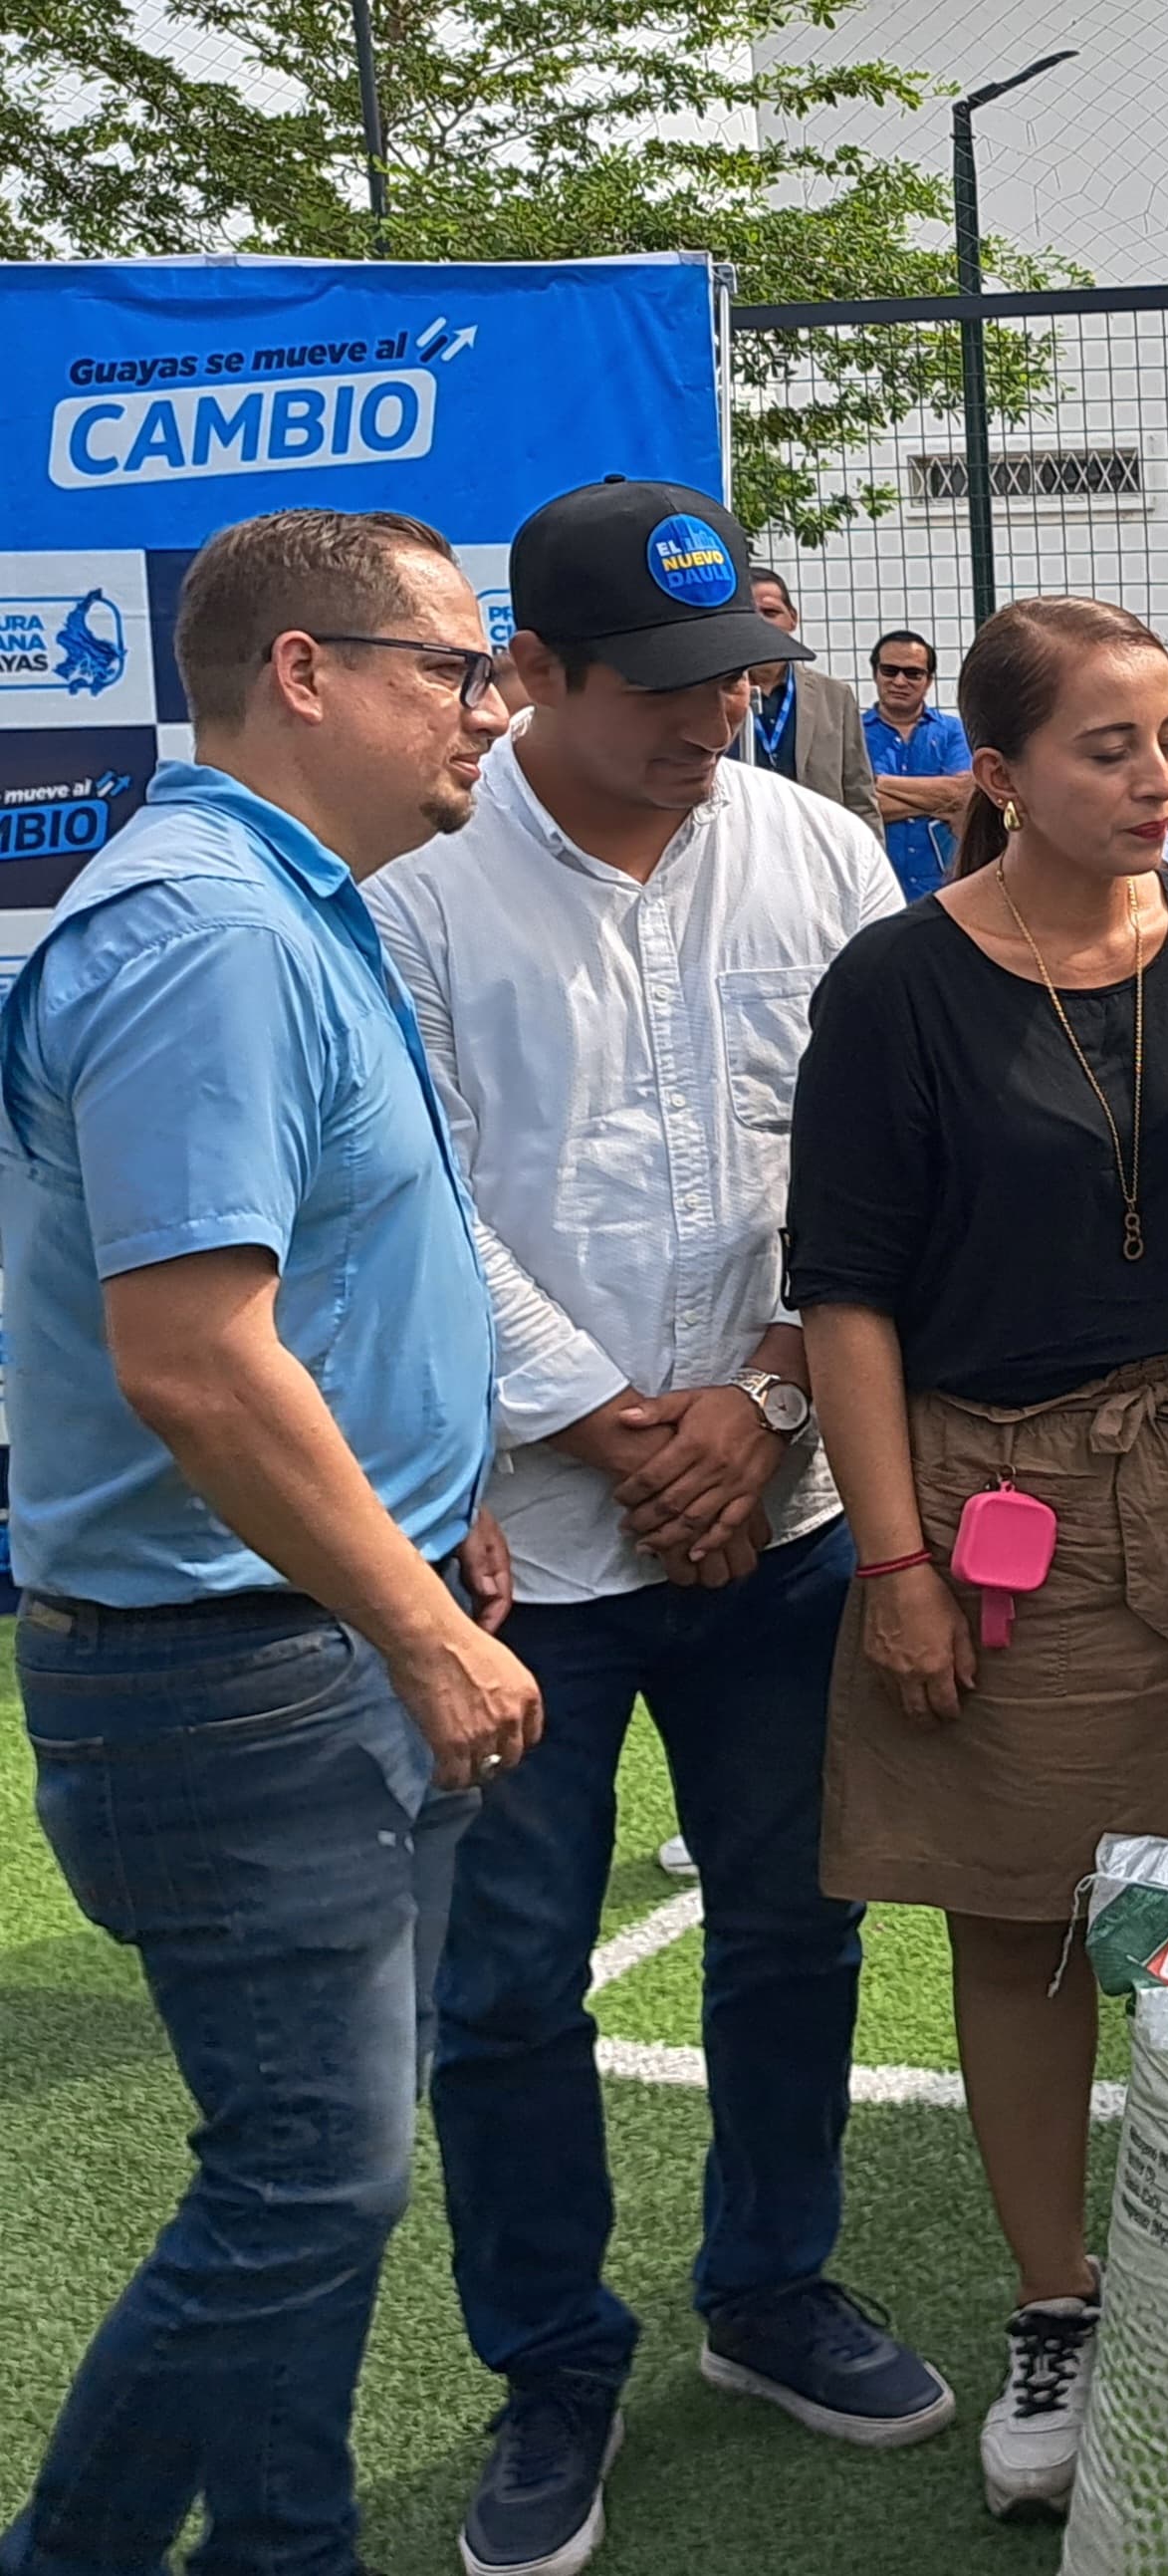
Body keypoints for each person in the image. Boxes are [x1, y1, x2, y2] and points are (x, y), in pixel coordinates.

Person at [368, 477, 942, 2576]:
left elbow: (879, 1154)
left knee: (794, 1922)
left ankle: (769, 2287)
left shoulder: (815, 848)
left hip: (782, 1503)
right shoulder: (418, 895)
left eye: (742, 681)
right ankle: (550, 2366)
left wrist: (767, 1397)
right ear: (531, 671)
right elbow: (419, 1203)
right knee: (509, 1980)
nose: (715, 721)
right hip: (525, 1542)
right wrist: (624, 1432)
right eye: (667, 689)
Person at [787, 593, 1168, 2522]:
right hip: (997, 1510)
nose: (1156, 779)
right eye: (1106, 748)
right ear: (1001, 770)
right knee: (1022, 1921)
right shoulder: (895, 987)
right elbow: (846, 1300)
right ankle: (1059, 2301)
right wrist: (895, 1563)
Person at [0, 508, 540, 2576]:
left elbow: (317, 1283)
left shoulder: (281, 906)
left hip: (297, 1639)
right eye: (453, 667)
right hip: (236, 1668)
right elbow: (197, 1363)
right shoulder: (211, 934)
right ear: (303, 673)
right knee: (307, 2182)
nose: (487, 708)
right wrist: (419, 1623)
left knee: (319, 2180)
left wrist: (436, 1510)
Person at [734, 565, 881, 825]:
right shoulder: (713, 695)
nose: (761, 623)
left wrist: (872, 847)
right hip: (740, 835)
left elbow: (859, 793)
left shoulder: (834, 697)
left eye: (770, 613)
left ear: (792, 618)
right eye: (749, 614)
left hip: (815, 839)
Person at [862, 628, 972, 901]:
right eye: (890, 671)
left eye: (913, 673)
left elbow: (963, 794)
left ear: (929, 680)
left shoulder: (954, 731)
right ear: (875, 674)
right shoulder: (851, 732)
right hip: (875, 887)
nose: (900, 681)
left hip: (945, 887)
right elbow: (857, 805)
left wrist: (878, 783)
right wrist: (937, 800)